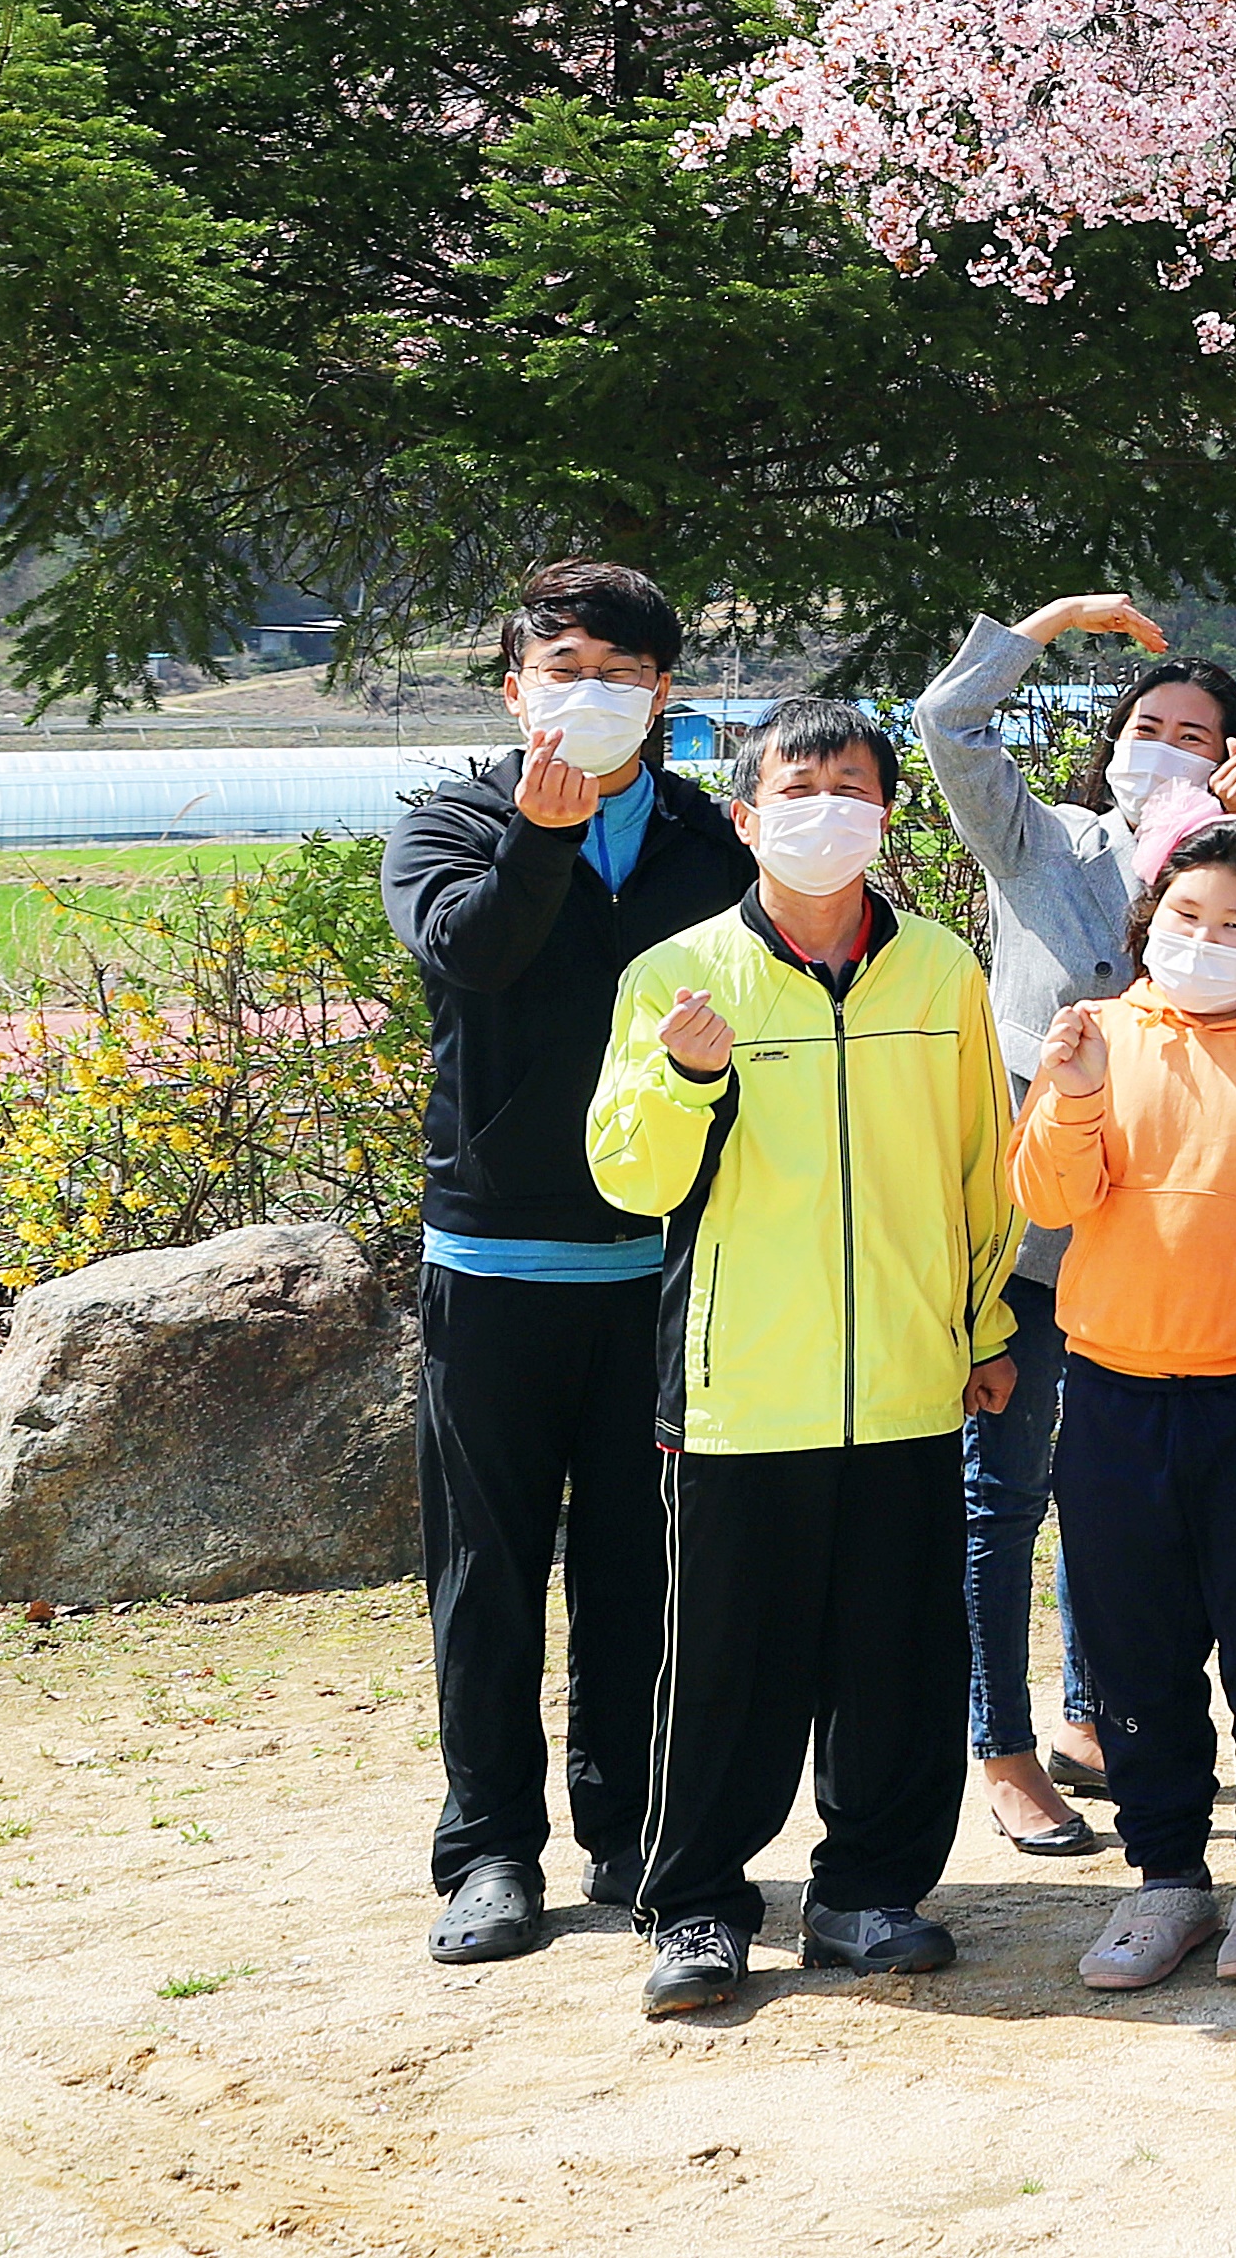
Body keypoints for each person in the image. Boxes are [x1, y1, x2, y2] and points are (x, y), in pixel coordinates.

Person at [582, 697, 1024, 2020]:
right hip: (738, 1396)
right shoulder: (675, 976)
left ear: (884, 814)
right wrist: (687, 1079)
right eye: (799, 782)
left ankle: (869, 1894)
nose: (825, 804)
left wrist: (982, 1326)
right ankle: (702, 1908)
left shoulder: (941, 970)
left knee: (896, 1651)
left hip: (903, 1378)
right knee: (723, 1667)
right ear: (747, 812)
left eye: (851, 783)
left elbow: (977, 1169)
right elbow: (628, 1174)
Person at [389, 558, 747, 1965]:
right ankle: (487, 1851)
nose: (589, 695)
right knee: (484, 1570)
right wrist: (541, 839)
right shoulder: (449, 824)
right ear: (512, 686)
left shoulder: (707, 842)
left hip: (656, 1266)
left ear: (664, 694)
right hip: (491, 1256)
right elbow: (470, 959)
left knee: (637, 1569)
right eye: (564, 668)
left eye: (620, 672)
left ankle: (628, 1828)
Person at [913, 591, 1236, 1862]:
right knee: (1003, 1491)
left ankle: (1093, 1719)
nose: (1170, 749)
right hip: (1028, 1228)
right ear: (1116, 739)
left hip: (1166, 1251)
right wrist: (1047, 624)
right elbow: (947, 727)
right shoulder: (1052, 848)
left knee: (1120, 1494)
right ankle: (1003, 1746)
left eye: (1200, 734)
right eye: (1153, 725)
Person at [1003, 811, 1236, 1989]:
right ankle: (1166, 1876)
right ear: (1147, 920)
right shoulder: (1101, 1033)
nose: (1206, 939)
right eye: (1186, 917)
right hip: (1115, 1393)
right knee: (1131, 1649)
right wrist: (1068, 1097)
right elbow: (1048, 1201)